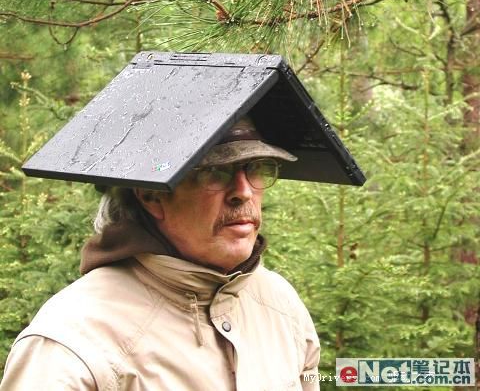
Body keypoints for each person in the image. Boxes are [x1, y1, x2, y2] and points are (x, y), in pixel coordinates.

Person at [0, 117, 320, 390]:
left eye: (257, 168)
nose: (244, 192)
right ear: (152, 196)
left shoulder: (280, 305)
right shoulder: (71, 342)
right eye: (215, 172)